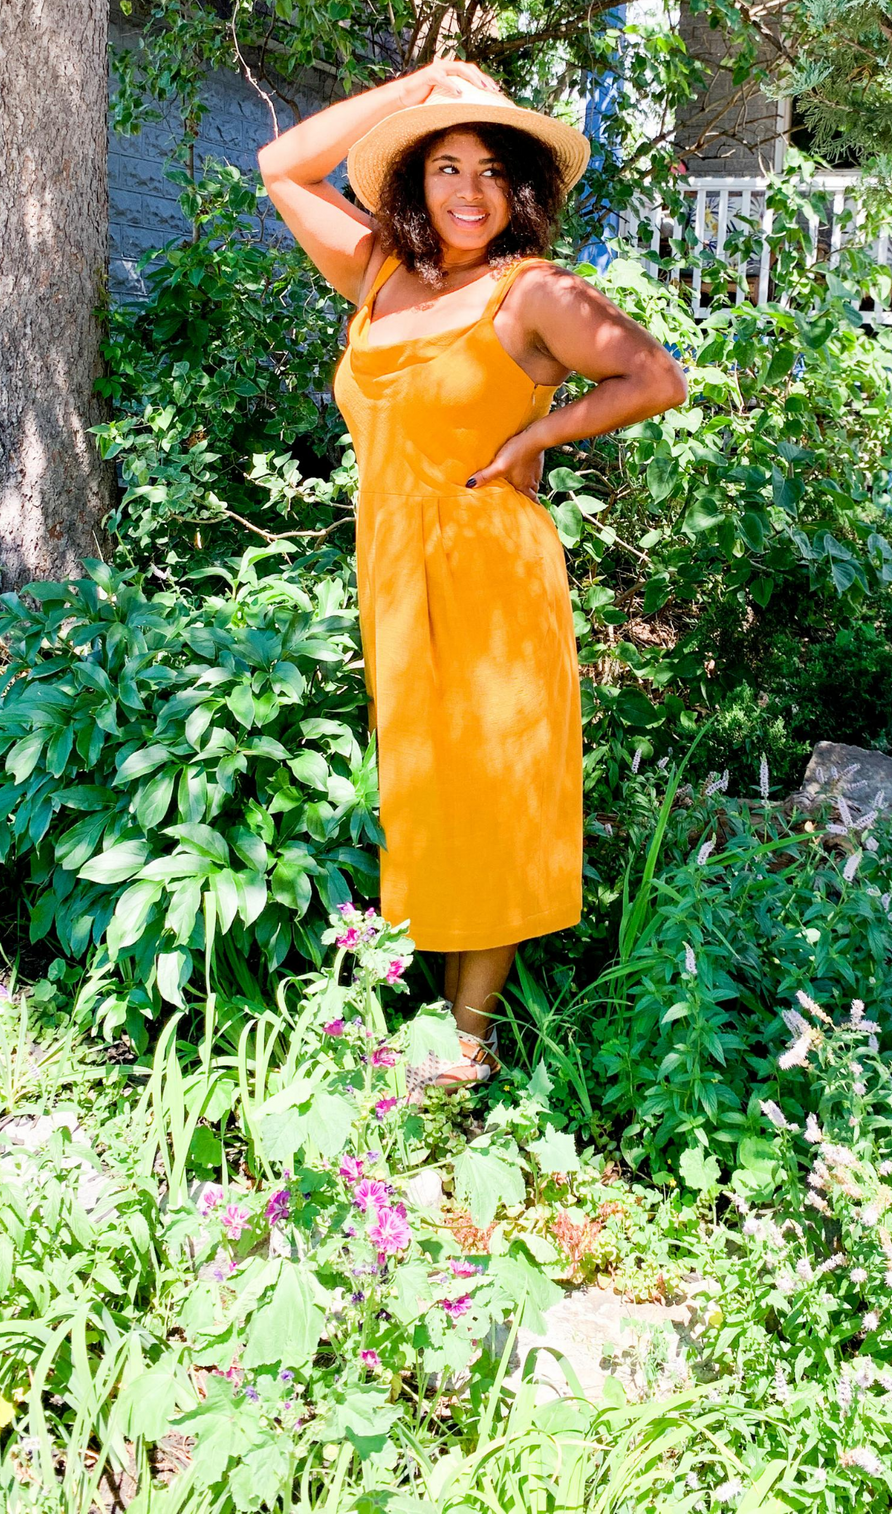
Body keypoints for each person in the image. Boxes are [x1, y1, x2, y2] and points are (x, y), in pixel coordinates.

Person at [259, 61, 687, 1086]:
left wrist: (541, 426)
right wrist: (418, 90)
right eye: (444, 167)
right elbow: (281, 168)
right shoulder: (376, 272)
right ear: (410, 183)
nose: (467, 191)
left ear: (520, 193)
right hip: (395, 565)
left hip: (488, 563)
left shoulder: (531, 290)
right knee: (423, 781)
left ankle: (466, 1037)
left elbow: (653, 375)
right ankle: (417, 991)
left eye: (491, 171)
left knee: (492, 782)